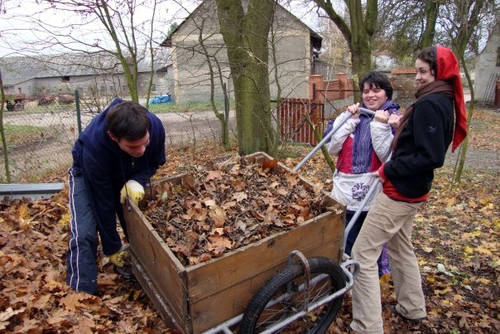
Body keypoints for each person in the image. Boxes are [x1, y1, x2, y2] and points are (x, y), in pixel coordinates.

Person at [349, 46, 467, 333]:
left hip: (401, 192)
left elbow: (431, 157)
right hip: (414, 191)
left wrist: (388, 169)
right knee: (401, 247)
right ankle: (412, 307)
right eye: (417, 71)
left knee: (362, 254)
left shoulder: (431, 104)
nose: (417, 77)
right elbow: (422, 144)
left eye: (423, 72)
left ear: (439, 73)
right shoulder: (441, 98)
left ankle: (367, 325)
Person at [67, 97, 166, 295]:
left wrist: (138, 179)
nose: (141, 151)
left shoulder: (154, 126)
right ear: (113, 137)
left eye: (144, 143)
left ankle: (144, 274)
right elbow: (102, 202)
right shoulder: (95, 146)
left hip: (128, 172)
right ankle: (80, 296)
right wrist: (112, 246)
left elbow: (155, 161)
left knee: (136, 224)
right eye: (133, 147)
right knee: (84, 234)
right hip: (88, 173)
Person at [326, 71, 401, 277]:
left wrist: (380, 124)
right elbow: (333, 148)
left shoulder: (396, 119)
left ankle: (368, 278)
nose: (370, 95)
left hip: (372, 191)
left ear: (387, 93)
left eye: (376, 90)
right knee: (343, 236)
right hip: (344, 188)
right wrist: (349, 119)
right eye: (366, 91)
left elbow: (387, 156)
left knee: (366, 240)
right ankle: (344, 275)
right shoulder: (354, 114)